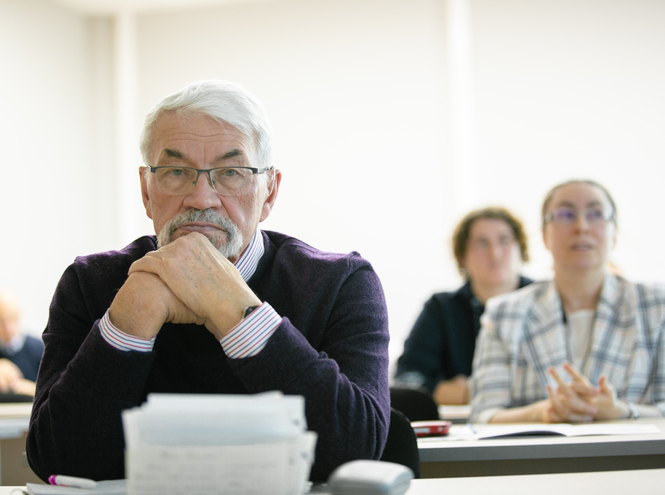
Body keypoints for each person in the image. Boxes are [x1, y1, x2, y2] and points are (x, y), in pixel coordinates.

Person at [27, 80, 390, 482]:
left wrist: (236, 311)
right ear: (146, 191)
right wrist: (129, 320)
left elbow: (356, 450)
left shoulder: (341, 283)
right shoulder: (90, 282)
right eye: (176, 171)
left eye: (231, 172)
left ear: (269, 192)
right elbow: (56, 461)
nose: (202, 198)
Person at [470, 179, 665, 423]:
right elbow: (483, 415)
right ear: (544, 235)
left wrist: (624, 411)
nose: (581, 226)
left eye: (596, 214)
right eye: (565, 214)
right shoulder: (503, 313)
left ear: (614, 233)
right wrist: (543, 412)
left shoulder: (657, 306)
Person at [394, 207, 532, 405]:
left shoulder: (547, 300)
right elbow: (408, 378)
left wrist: (478, 391)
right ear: (463, 256)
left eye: (504, 240)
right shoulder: (440, 308)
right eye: (482, 243)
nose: (495, 253)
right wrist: (441, 391)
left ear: (521, 248)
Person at [0, 288, 44, 397]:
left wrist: (30, 389)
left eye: (11, 319)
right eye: (1, 321)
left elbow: (54, 390)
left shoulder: (38, 349)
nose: (7, 328)